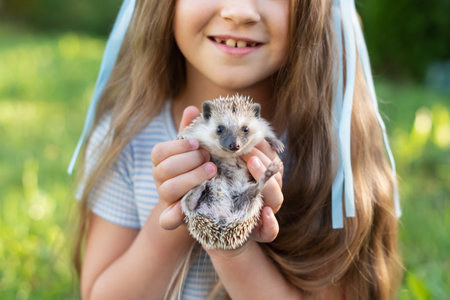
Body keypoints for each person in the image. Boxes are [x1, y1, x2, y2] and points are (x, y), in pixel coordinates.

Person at [71, 0, 402, 299]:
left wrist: (233, 236)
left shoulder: (331, 152)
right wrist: (186, 204)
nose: (239, 11)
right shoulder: (127, 136)